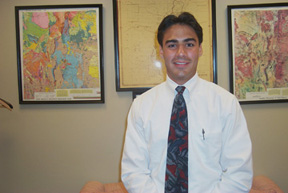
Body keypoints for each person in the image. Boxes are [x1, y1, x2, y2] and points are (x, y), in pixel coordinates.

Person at [121, 12, 253, 193]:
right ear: (161, 51)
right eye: (172, 45)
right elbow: (133, 172)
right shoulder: (142, 106)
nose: (181, 53)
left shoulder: (226, 104)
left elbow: (239, 174)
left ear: (200, 49)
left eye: (189, 44)